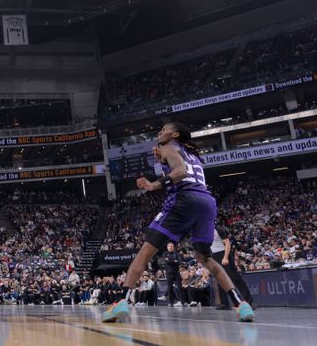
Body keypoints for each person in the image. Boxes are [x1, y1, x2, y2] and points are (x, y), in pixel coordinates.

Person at [101, 122, 254, 323]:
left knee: (145, 252)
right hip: (207, 202)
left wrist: (154, 184)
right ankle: (241, 304)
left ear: (174, 134)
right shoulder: (191, 154)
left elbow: (180, 171)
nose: (159, 131)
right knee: (205, 258)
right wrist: (162, 162)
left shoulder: (169, 147)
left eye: (163, 129)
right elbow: (182, 166)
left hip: (184, 200)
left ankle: (122, 300)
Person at [211, 224, 253, 310]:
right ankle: (224, 303)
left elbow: (227, 243)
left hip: (223, 254)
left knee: (235, 278)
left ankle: (249, 302)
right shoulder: (204, 232)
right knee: (220, 280)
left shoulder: (219, 229)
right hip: (214, 256)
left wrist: (225, 257)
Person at [163, 242, 183, 307]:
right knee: (170, 288)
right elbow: (167, 261)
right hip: (169, 273)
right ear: (167, 247)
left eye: (172, 246)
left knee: (179, 287)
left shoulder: (177, 254)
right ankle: (171, 302)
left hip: (177, 272)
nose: (171, 247)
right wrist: (174, 261)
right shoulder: (165, 253)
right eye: (170, 246)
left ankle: (181, 301)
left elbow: (179, 262)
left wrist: (171, 261)